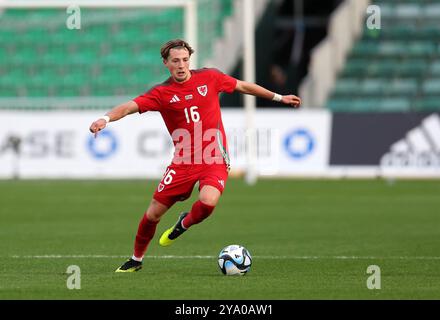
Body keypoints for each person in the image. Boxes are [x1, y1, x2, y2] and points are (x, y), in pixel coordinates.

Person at [89, 39, 301, 272]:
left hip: (213, 157)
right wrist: (105, 119)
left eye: (185, 60)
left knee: (208, 203)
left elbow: (243, 86)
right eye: (176, 61)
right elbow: (129, 106)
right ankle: (136, 260)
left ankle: (184, 223)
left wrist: (279, 98)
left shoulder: (210, 77)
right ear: (166, 63)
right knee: (152, 215)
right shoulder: (161, 93)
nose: (181, 65)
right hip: (183, 162)